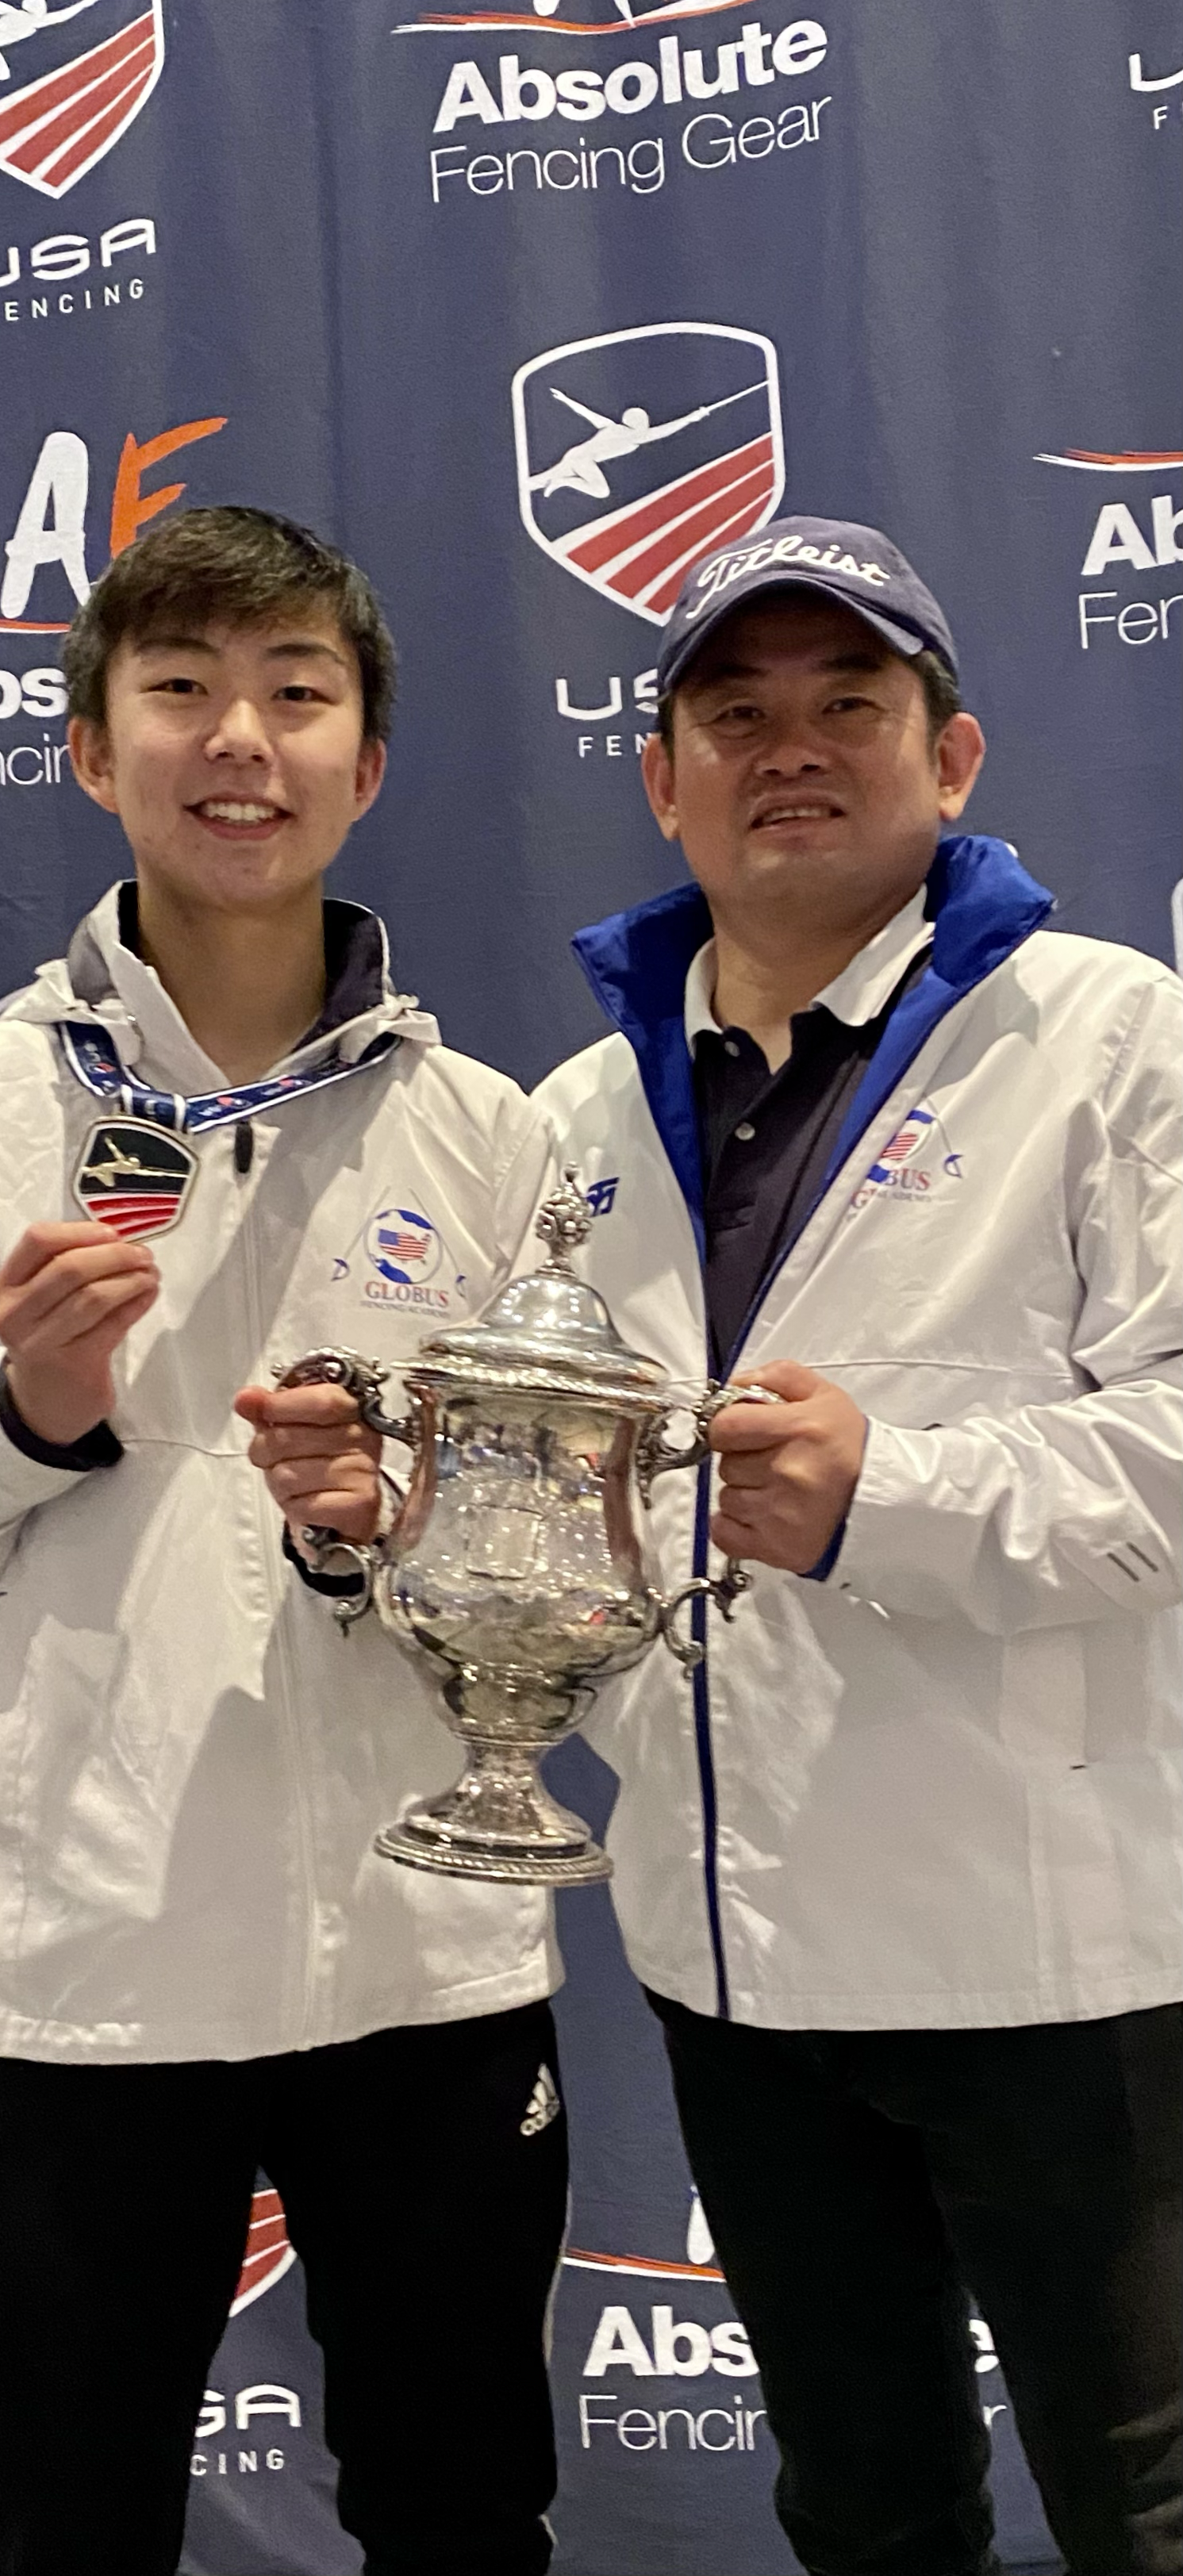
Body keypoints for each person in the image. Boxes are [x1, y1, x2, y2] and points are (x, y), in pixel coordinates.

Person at [0, 507, 567, 2576]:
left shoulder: (491, 1137)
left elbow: (575, 1570)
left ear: (368, 762)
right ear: (94, 750)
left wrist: (393, 1529)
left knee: (466, 2520)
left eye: (296, 692)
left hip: (424, 1967)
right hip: (73, 1985)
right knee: (68, 2533)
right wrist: (17, 1416)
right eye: (181, 688)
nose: (240, 739)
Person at [529, 516, 1183, 2576]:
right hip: (739, 1959)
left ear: (953, 754)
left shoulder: (1113, 1038)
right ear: (664, 778)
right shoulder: (576, 1115)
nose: (790, 747)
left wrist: (885, 1495)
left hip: (1058, 1958)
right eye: (736, 713)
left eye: (849, 703)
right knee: (864, 2509)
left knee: (1148, 2504)